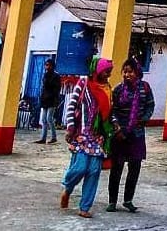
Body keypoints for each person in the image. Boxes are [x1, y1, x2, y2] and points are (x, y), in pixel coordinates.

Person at [61, 57, 115, 218]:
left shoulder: (107, 88)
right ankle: (68, 188)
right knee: (80, 168)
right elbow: (72, 106)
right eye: (106, 71)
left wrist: (115, 125)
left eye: (109, 72)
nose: (108, 75)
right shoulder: (83, 83)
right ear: (97, 70)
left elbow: (109, 112)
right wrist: (70, 127)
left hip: (98, 137)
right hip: (81, 135)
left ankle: (84, 207)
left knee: (93, 171)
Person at [106, 57, 155, 213]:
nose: (127, 75)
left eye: (130, 71)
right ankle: (112, 201)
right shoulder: (118, 89)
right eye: (125, 72)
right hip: (119, 134)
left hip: (137, 134)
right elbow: (111, 110)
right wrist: (117, 127)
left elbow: (150, 105)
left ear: (137, 72)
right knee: (116, 169)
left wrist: (145, 119)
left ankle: (128, 200)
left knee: (134, 169)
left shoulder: (145, 88)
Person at [34, 57, 62, 144]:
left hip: (52, 100)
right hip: (45, 99)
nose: (46, 67)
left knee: (49, 118)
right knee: (43, 119)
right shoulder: (45, 75)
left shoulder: (56, 76)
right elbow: (43, 87)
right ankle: (43, 138)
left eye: (48, 65)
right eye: (46, 65)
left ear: (52, 66)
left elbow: (56, 89)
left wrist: (54, 97)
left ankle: (54, 137)